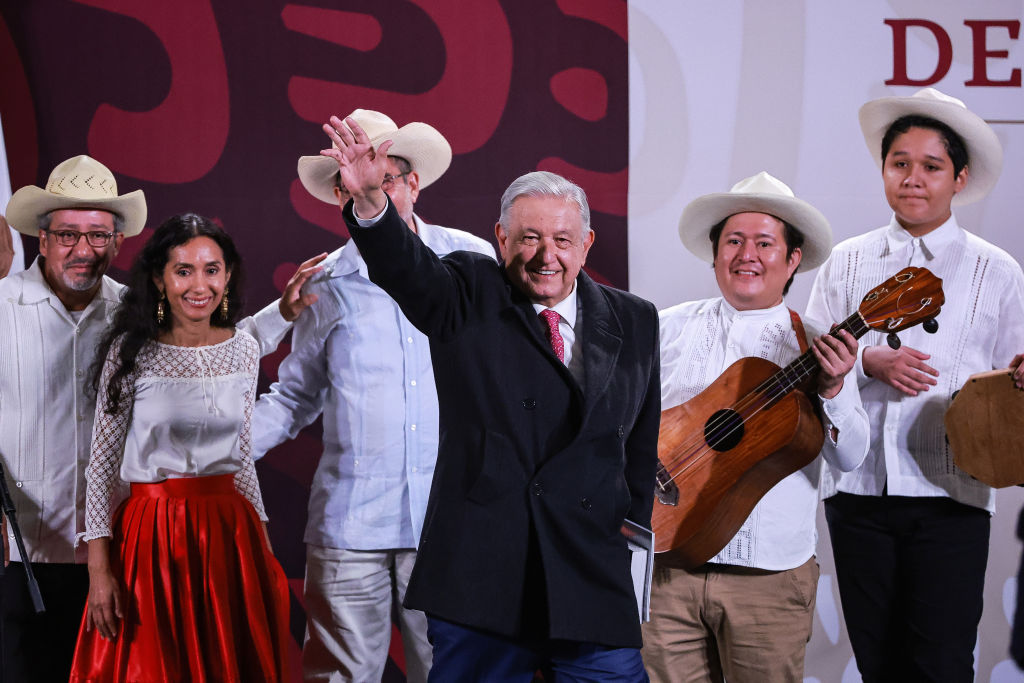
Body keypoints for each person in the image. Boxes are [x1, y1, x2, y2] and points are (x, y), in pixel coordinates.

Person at [319, 114, 661, 681]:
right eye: (528, 238)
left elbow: (639, 456)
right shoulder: (468, 290)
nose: (545, 255)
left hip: (589, 578)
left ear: (587, 244)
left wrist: (629, 550)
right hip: (484, 581)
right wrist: (373, 205)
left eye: (561, 239)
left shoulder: (634, 318)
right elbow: (407, 270)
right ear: (501, 239)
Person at [0, 155, 320, 682]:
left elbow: (215, 353)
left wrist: (281, 314)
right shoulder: (7, 310)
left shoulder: (134, 313)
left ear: (118, 243)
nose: (84, 250)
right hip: (26, 553)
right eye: (68, 235)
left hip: (125, 555)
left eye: (99, 236)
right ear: (42, 237)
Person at [253, 109, 494, 682]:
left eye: (386, 177)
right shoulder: (325, 282)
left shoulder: (473, 261)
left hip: (450, 522)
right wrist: (213, 451)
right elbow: (293, 398)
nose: (374, 191)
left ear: (413, 182)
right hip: (348, 525)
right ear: (341, 194)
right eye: (359, 182)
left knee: (452, 674)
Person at [806, 87, 1024, 681]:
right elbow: (809, 362)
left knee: (942, 663)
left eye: (931, 166)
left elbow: (1012, 381)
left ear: (960, 177)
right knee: (877, 663)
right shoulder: (846, 262)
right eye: (900, 163)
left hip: (952, 495)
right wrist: (868, 360)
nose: (913, 178)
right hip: (857, 491)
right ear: (883, 171)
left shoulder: (996, 270)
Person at [641, 172, 869, 682]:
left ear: (792, 261)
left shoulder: (820, 346)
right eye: (734, 241)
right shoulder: (665, 327)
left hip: (769, 579)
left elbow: (851, 457)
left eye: (765, 243)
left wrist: (832, 389)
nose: (748, 254)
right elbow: (623, 426)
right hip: (667, 570)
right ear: (715, 254)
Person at [69, 213, 291, 681]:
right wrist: (98, 570)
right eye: (183, 269)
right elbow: (102, 469)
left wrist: (263, 548)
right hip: (151, 539)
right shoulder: (132, 352)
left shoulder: (244, 349)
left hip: (230, 536)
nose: (199, 284)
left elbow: (242, 456)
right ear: (159, 278)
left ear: (227, 276)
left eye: (211, 269)